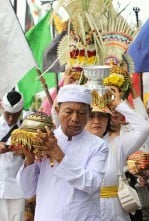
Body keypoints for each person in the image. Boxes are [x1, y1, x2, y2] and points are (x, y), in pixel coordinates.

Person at [18, 84, 109, 221]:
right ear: (57, 110)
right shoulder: (44, 141)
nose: (75, 118)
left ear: (89, 112)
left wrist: (58, 154)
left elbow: (92, 184)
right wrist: (29, 160)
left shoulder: (98, 146)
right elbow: (27, 189)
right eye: (68, 111)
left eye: (82, 112)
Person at [85, 86, 149, 221]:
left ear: (108, 119)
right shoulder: (73, 145)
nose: (97, 120)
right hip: (85, 209)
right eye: (91, 116)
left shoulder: (117, 144)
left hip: (114, 211)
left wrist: (120, 105)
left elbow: (144, 129)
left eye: (102, 116)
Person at [0, 91, 25, 221]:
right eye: (8, 114)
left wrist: (25, 154)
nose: (10, 119)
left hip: (17, 190)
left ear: (21, 111)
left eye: (15, 116)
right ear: (1, 107)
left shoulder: (27, 128)